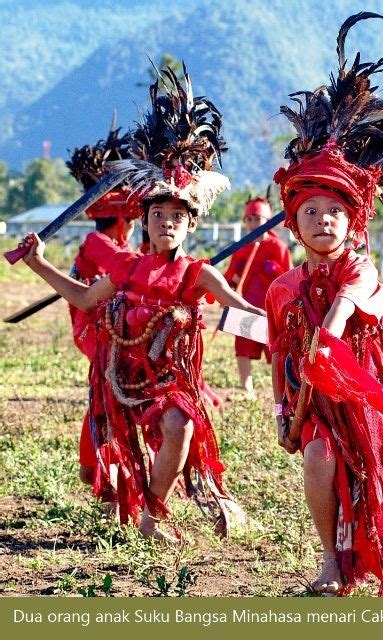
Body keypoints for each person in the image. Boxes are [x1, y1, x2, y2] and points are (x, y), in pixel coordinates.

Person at [19, 66, 264, 541]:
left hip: (171, 380)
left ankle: (153, 516)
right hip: (118, 377)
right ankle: (123, 504)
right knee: (116, 443)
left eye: (177, 216)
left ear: (190, 225)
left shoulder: (198, 273)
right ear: (145, 221)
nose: (167, 223)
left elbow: (242, 308)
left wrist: (286, 321)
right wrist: (38, 264)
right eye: (158, 215)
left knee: (182, 426)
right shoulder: (126, 267)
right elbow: (84, 298)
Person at [266, 13, 383, 597]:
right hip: (316, 403)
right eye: (310, 211)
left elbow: (350, 303)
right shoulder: (283, 288)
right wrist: (282, 409)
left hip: (369, 393)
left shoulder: (360, 269)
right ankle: (330, 563)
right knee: (319, 462)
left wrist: (333, 329)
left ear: (352, 223)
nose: (322, 220)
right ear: (295, 223)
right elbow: (279, 354)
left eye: (333, 211)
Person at [65, 128, 141, 489]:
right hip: (96, 329)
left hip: (114, 328)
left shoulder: (110, 243)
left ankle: (101, 469)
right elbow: (131, 268)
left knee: (114, 392)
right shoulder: (99, 242)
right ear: (124, 219)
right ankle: (98, 469)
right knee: (107, 394)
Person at [224, 196, 291, 397]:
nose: (253, 223)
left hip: (271, 309)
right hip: (245, 305)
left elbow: (288, 278)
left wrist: (273, 270)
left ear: (267, 220)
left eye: (257, 219)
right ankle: (247, 390)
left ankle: (282, 391)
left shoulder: (278, 246)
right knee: (242, 350)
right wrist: (233, 279)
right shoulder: (241, 247)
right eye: (249, 219)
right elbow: (230, 280)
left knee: (276, 352)